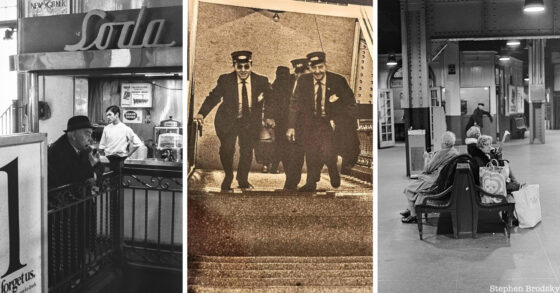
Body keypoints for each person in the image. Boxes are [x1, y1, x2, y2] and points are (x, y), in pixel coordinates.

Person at [195, 50, 275, 191]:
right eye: (239, 67)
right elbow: (213, 97)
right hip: (227, 121)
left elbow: (272, 99)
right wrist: (201, 114)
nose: (243, 70)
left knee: (247, 150)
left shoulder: (261, 80)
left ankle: (242, 179)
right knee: (227, 149)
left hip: (249, 123)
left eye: (246, 66)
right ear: (234, 65)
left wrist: (270, 116)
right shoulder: (225, 80)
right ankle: (228, 176)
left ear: (251, 65)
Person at [286, 51, 356, 191]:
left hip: (328, 122)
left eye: (320, 67)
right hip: (309, 123)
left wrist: (343, 121)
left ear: (325, 65)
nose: (317, 71)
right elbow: (294, 104)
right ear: (310, 67)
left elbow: (350, 103)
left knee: (329, 152)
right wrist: (291, 126)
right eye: (314, 68)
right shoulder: (303, 80)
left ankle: (332, 168)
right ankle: (311, 182)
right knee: (311, 152)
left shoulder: (338, 80)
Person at [401, 131, 459, 223]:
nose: (440, 143)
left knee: (409, 188)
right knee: (415, 187)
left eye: (441, 141)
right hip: (444, 182)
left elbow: (427, 169)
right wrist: (434, 157)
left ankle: (413, 215)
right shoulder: (455, 153)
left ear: (444, 143)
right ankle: (410, 209)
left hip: (434, 182)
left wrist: (426, 158)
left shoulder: (441, 153)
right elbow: (441, 162)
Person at [48, 115, 100, 188]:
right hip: (65, 197)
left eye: (91, 135)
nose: (91, 140)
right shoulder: (56, 151)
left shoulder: (87, 150)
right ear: (73, 135)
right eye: (87, 134)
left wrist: (94, 176)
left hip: (83, 196)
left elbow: (99, 168)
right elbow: (66, 178)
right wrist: (90, 164)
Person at [98, 105, 143, 172]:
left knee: (117, 180)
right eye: (107, 115)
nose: (108, 117)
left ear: (117, 114)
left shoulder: (126, 129)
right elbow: (101, 147)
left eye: (110, 115)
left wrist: (128, 154)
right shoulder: (106, 128)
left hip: (120, 160)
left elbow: (138, 143)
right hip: (107, 160)